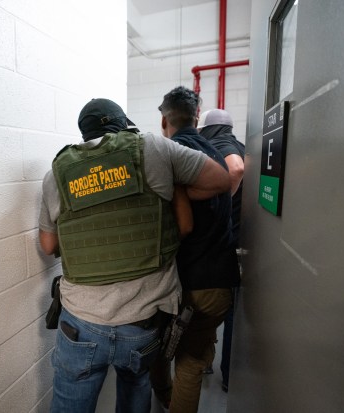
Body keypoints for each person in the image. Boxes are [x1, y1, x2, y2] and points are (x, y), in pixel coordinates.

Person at [38, 98, 231, 413]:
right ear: (122, 123)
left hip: (80, 322)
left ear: (83, 134)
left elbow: (48, 246)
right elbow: (221, 180)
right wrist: (172, 189)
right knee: (135, 390)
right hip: (142, 323)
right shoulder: (153, 148)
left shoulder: (56, 174)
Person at [149, 86, 239, 412]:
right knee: (192, 359)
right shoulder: (212, 153)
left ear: (164, 120)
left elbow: (178, 224)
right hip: (219, 285)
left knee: (170, 356)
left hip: (187, 287)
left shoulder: (170, 154)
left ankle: (165, 398)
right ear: (197, 117)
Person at [198, 108, 245, 393]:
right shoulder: (240, 144)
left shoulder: (220, 145)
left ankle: (208, 362)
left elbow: (236, 168)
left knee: (207, 305)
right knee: (226, 308)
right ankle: (226, 373)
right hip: (237, 238)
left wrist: (222, 201)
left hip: (220, 239)